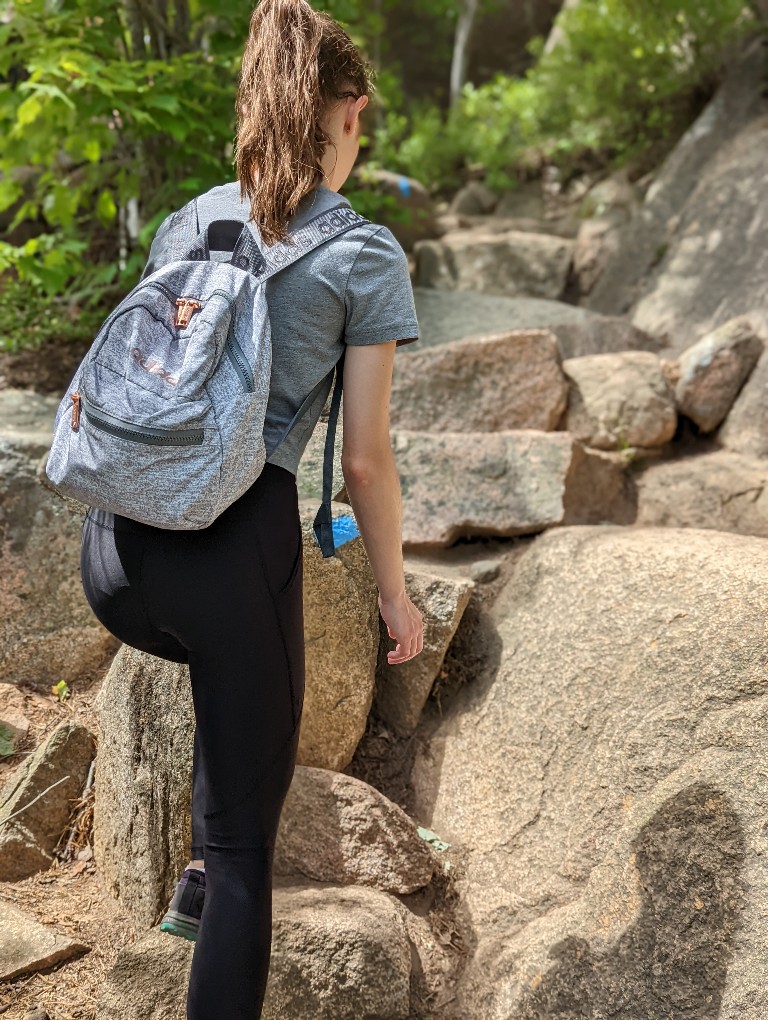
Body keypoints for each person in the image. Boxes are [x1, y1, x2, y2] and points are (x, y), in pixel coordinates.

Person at [78, 0, 424, 1016]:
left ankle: (188, 878)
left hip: (114, 554)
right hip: (230, 545)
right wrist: (394, 601)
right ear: (349, 113)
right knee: (247, 852)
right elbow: (363, 464)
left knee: (231, 681)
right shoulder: (363, 254)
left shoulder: (191, 219)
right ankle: (211, 874)